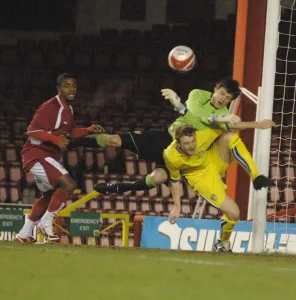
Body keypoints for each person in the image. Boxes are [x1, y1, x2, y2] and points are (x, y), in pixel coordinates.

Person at [85, 78, 273, 193]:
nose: (223, 99)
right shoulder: (198, 95)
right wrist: (220, 117)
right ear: (216, 88)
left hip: (181, 154)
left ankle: (116, 188)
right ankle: (80, 140)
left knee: (156, 178)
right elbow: (196, 113)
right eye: (222, 93)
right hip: (166, 138)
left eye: (228, 98)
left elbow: (234, 124)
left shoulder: (224, 115)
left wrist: (257, 125)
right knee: (115, 140)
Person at [16, 73, 104, 243]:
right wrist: (55, 139)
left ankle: (23, 234)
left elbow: (70, 133)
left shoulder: (68, 109)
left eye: (74, 85)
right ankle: (46, 222)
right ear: (58, 88)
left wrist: (88, 129)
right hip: (37, 155)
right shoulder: (50, 106)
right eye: (66, 85)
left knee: (48, 197)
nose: (71, 88)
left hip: (45, 157)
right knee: (68, 184)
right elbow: (32, 130)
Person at [163, 124, 243, 252]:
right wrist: (177, 207)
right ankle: (223, 243)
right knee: (234, 213)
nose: (192, 145)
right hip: (201, 180)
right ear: (178, 143)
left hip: (214, 164)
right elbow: (175, 180)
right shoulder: (170, 156)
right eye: (187, 143)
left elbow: (228, 127)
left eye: (193, 141)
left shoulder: (204, 135)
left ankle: (222, 243)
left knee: (228, 137)